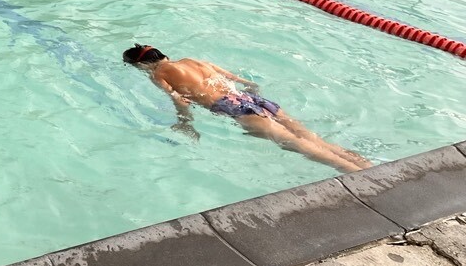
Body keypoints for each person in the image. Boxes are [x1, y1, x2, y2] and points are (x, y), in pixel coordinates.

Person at [122, 44, 371, 172]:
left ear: (142, 65)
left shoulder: (158, 75)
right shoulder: (193, 60)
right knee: (308, 136)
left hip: (230, 106)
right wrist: (254, 97)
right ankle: (364, 165)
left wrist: (185, 123)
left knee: (295, 144)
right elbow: (243, 81)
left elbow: (179, 100)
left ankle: (351, 172)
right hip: (250, 99)